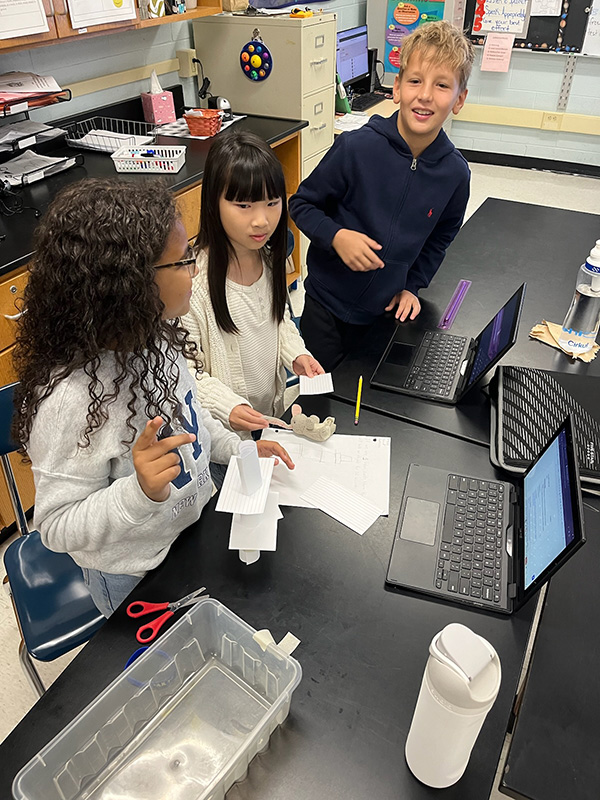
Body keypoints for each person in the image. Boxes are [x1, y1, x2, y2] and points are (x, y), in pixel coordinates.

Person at [13, 178, 294, 618]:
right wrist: (138, 492)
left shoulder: (160, 334)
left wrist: (241, 450)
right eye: (182, 262)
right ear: (130, 283)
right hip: (135, 577)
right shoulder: (71, 400)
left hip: (194, 535)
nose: (195, 270)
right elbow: (55, 527)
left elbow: (194, 419)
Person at [289, 20, 475, 371]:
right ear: (397, 87)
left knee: (363, 400)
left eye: (441, 85)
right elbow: (301, 204)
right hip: (325, 305)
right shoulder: (356, 148)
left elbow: (441, 238)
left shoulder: (455, 174)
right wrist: (337, 236)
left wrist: (414, 286)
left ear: (459, 99)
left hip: (384, 314)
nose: (424, 95)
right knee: (317, 398)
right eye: (415, 81)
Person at [182, 131, 324, 484]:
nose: (261, 220)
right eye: (244, 206)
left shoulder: (269, 258)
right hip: (222, 441)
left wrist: (296, 354)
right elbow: (186, 374)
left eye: (272, 202)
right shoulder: (193, 288)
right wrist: (229, 407)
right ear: (214, 202)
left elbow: (279, 320)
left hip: (268, 422)